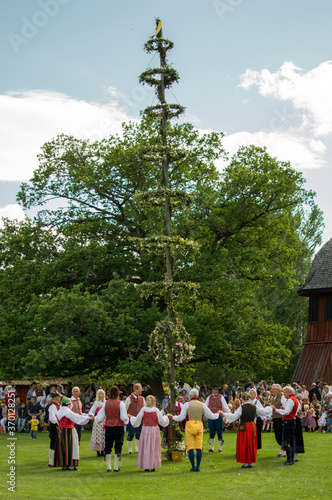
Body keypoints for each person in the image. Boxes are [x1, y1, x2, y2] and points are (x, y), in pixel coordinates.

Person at [168, 388, 222, 472]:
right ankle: (198, 466)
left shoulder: (187, 404)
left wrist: (173, 417)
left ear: (190, 396)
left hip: (190, 424)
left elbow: (181, 417)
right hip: (199, 424)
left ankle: (193, 466)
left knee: (190, 446)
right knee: (199, 446)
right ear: (198, 396)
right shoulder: (202, 405)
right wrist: (218, 413)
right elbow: (211, 416)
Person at [223, 392, 272, 468]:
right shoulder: (254, 407)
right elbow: (264, 412)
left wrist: (225, 415)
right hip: (252, 426)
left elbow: (234, 417)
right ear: (249, 398)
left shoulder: (241, 408)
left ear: (242, 399)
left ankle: (246, 462)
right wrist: (270, 408)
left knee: (244, 443)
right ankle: (250, 461)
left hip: (244, 426)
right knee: (251, 443)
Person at [129, 394, 169, 472]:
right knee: (154, 447)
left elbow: (137, 420)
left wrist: (131, 417)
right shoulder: (156, 410)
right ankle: (153, 465)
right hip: (154, 429)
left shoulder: (143, 409)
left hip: (146, 429)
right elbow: (162, 421)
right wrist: (166, 417)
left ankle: (146, 465)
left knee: (146, 447)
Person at [94, 386, 129, 472]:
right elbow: (123, 417)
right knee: (118, 445)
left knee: (108, 445)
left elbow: (100, 417)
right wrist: (127, 420)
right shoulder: (121, 404)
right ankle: (116, 467)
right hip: (118, 427)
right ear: (118, 394)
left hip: (109, 426)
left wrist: (95, 419)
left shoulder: (106, 403)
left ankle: (108, 467)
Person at [54, 397, 92, 471]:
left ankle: (64, 464)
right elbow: (77, 418)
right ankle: (72, 465)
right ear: (68, 404)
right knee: (72, 447)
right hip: (69, 431)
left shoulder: (59, 412)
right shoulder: (68, 412)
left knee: (63, 447)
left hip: (61, 431)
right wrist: (87, 418)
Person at [271, 385, 299, 465]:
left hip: (288, 421)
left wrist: (276, 409)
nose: (284, 394)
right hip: (292, 420)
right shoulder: (294, 399)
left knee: (287, 440)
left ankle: (289, 459)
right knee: (291, 440)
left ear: (288, 392)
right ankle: (291, 458)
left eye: (284, 392)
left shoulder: (290, 400)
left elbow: (286, 412)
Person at [205, 384, 230, 453]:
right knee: (211, 432)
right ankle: (212, 448)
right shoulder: (209, 397)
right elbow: (205, 406)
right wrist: (206, 414)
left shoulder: (221, 397)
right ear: (212, 390)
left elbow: (225, 407)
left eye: (216, 390)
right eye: (214, 389)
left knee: (219, 432)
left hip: (218, 417)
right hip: (211, 416)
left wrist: (228, 415)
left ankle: (220, 448)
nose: (215, 391)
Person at [125, 383, 145, 454]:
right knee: (131, 433)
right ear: (136, 389)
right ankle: (129, 449)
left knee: (139, 433)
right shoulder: (129, 398)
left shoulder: (142, 399)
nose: (141, 390)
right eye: (140, 389)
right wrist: (128, 416)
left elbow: (144, 408)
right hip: (132, 419)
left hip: (139, 419)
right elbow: (125, 409)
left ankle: (137, 448)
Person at [88, 388, 106, 456]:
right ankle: (98, 451)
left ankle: (103, 451)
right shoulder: (97, 403)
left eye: (103, 393)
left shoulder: (106, 402)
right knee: (98, 435)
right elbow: (91, 411)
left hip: (104, 420)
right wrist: (93, 416)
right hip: (98, 421)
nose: (103, 394)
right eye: (101, 393)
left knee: (103, 435)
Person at [270, 384, 285, 457]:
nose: (271, 390)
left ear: (277, 390)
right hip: (275, 418)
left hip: (280, 418)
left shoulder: (282, 396)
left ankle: (283, 451)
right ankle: (281, 451)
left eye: (273, 389)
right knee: (277, 435)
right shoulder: (274, 397)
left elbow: (284, 406)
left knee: (281, 435)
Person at [48, 390, 62, 467]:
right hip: (54, 426)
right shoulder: (53, 406)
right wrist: (59, 422)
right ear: (56, 398)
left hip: (56, 426)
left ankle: (55, 460)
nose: (60, 398)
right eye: (59, 397)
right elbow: (52, 418)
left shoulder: (57, 406)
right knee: (53, 443)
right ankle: (51, 461)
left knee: (55, 443)